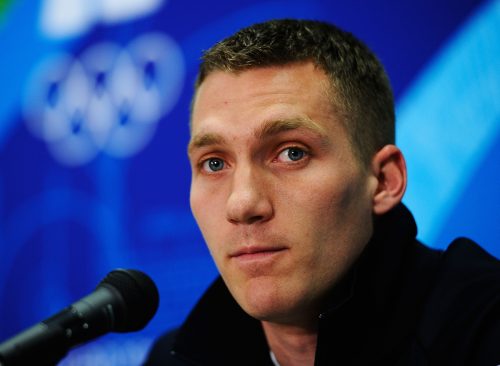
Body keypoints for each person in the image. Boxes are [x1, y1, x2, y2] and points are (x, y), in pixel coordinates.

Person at [145, 19, 500, 366]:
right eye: (214, 164)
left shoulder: (483, 328)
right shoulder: (173, 358)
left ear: (384, 180)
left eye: (292, 153)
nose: (242, 204)